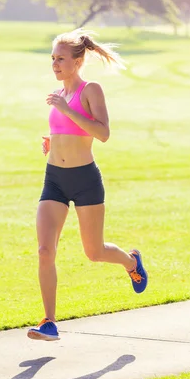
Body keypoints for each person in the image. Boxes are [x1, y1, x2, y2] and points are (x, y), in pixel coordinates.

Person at [27, 29, 147, 341]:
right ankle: (49, 322)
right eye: (53, 58)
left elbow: (102, 133)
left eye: (61, 58)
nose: (55, 63)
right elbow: (68, 131)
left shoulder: (89, 90)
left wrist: (65, 111)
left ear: (78, 61)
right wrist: (52, 141)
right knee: (44, 250)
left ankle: (131, 261)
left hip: (84, 181)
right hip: (54, 179)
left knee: (94, 252)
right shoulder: (59, 94)